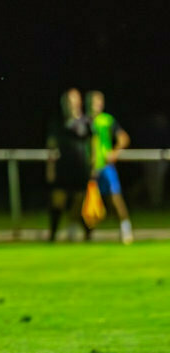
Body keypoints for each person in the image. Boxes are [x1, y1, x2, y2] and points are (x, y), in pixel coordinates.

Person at [86, 90, 133, 244]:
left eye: (99, 101)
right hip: (88, 168)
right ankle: (86, 233)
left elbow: (124, 138)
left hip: (105, 167)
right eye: (93, 101)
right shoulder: (83, 121)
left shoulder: (107, 120)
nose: (96, 105)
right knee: (86, 201)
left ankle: (125, 228)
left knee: (114, 198)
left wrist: (114, 152)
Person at [46, 88, 92, 242]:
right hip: (63, 167)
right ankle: (52, 236)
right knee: (57, 201)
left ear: (78, 101)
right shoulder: (57, 122)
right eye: (66, 100)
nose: (69, 103)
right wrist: (50, 168)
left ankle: (88, 233)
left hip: (81, 168)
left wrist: (94, 165)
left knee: (79, 204)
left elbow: (93, 145)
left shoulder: (86, 122)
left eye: (72, 100)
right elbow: (51, 147)